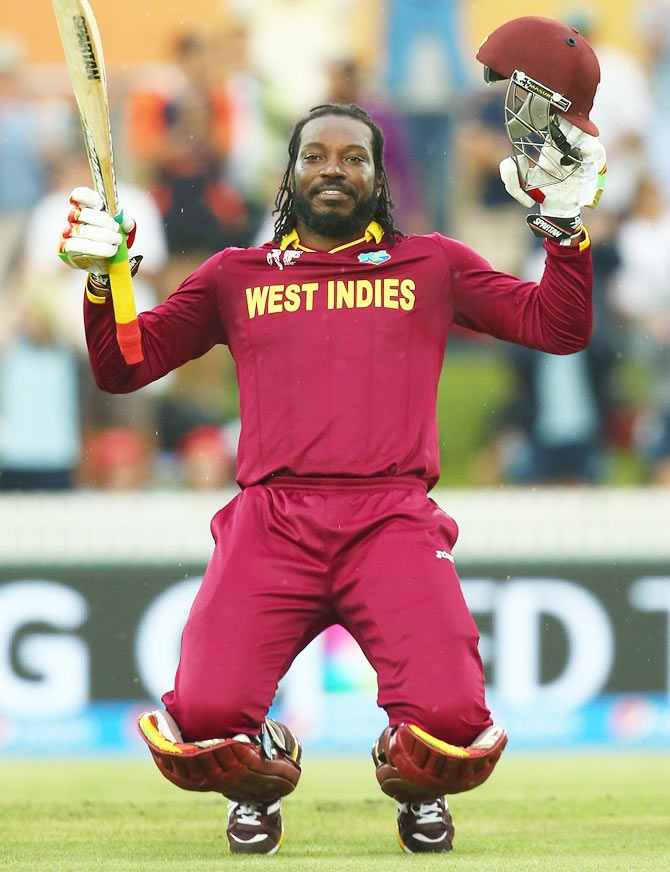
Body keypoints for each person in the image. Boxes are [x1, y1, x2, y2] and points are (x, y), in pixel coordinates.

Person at [55, 17, 606, 855]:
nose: (335, 170)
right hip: (271, 523)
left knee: (456, 730)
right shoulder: (235, 276)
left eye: (355, 158)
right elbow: (125, 367)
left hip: (391, 520)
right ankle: (259, 776)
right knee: (198, 728)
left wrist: (563, 235)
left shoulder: (433, 265)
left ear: (380, 178)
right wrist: (106, 283)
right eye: (317, 156)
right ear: (290, 174)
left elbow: (558, 328)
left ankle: (414, 786)